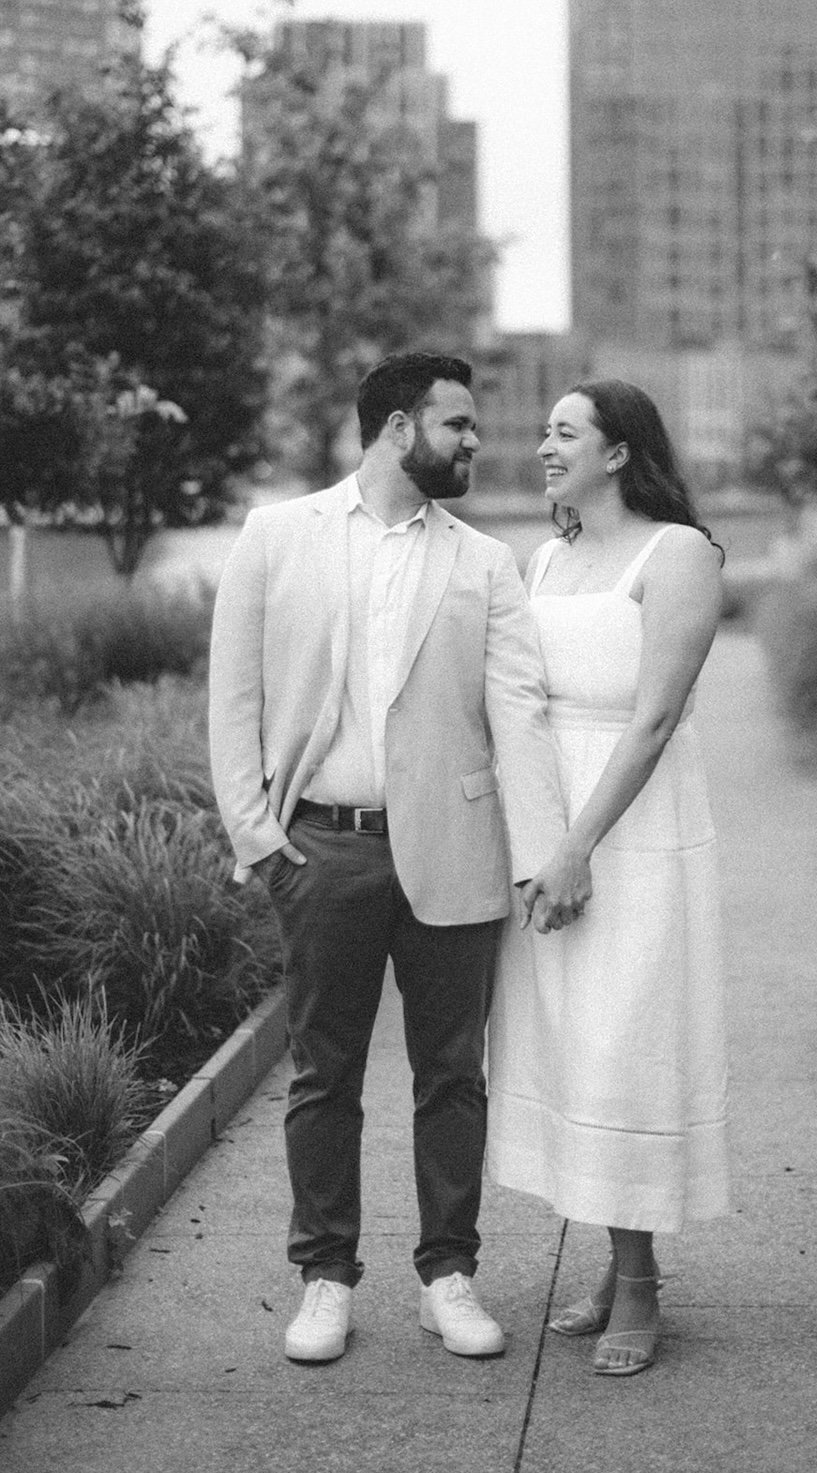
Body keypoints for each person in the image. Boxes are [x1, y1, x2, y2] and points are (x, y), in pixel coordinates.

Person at [208, 351, 566, 1366]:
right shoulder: (277, 537)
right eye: (457, 424)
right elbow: (233, 701)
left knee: (452, 1076)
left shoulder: (484, 562)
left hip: (457, 847)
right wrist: (263, 843)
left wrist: (538, 853)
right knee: (324, 1073)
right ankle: (325, 1279)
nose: (474, 442)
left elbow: (519, 717)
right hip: (322, 850)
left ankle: (447, 1276)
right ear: (400, 427)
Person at [487, 378, 730, 1377]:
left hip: (633, 829)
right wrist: (536, 843)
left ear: (619, 451)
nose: (545, 445)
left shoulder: (680, 553)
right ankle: (609, 1262)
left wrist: (580, 844)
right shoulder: (545, 556)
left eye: (565, 432)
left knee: (627, 1043)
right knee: (572, 1048)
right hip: (553, 830)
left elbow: (656, 718)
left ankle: (640, 1286)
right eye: (543, 430)